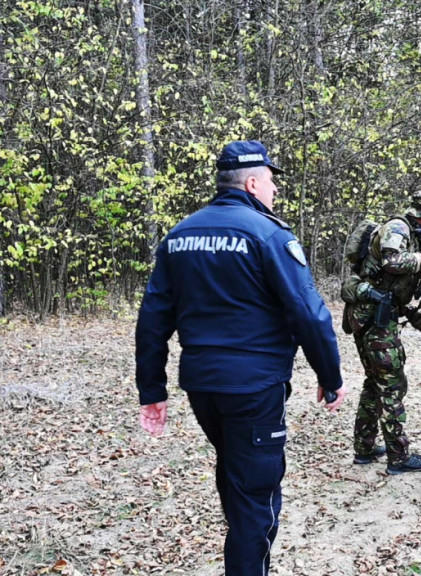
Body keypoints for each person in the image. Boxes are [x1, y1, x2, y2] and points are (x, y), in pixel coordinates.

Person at [135, 140, 347, 576]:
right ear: (252, 183)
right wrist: (331, 375)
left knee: (236, 477)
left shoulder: (180, 236)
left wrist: (152, 390)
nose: (275, 190)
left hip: (203, 387)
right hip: (253, 388)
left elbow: (153, 319)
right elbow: (308, 312)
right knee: (254, 496)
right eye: (270, 181)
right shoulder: (269, 234)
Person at [345, 190, 421, 474]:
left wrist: (418, 319)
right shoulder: (398, 228)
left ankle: (364, 448)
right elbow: (392, 262)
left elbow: (393, 287)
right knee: (392, 385)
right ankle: (399, 457)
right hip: (374, 322)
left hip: (373, 318)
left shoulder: (413, 234)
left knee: (374, 383)